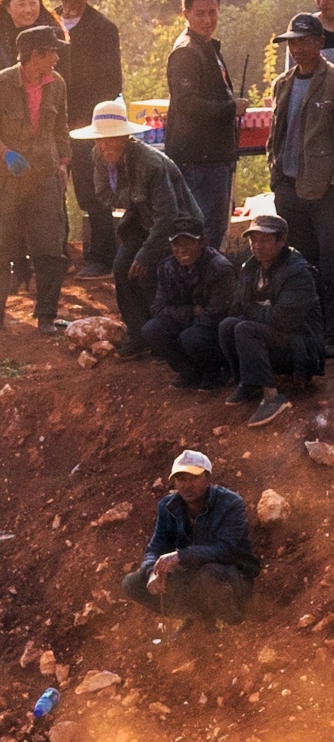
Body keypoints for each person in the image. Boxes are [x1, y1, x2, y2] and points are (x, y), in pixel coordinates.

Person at [69, 99, 198, 348]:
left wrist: (146, 254)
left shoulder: (150, 164)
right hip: (141, 218)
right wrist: (136, 198)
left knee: (153, 273)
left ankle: (163, 336)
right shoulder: (99, 156)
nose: (105, 146)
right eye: (100, 139)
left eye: (112, 139)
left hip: (179, 226)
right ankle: (137, 333)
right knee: (121, 267)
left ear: (125, 138)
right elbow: (105, 195)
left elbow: (168, 215)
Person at [0, 24, 70, 335]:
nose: (56, 58)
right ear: (34, 55)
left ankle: (47, 317)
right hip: (5, 179)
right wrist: (4, 154)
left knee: (50, 249)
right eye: (51, 52)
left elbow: (60, 127)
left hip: (44, 177)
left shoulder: (58, 84)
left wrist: (63, 163)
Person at [42, 0, 125, 278]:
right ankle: (55, 255)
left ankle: (101, 257)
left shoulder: (104, 29)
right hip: (49, 123)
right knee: (50, 192)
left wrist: (86, 116)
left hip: (88, 125)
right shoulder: (47, 25)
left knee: (93, 192)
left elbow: (112, 83)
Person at [120, 448, 257, 625]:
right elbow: (155, 547)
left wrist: (181, 556)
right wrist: (152, 572)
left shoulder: (230, 503)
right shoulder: (167, 506)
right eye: (181, 479)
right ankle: (193, 616)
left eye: (194, 478)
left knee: (209, 573)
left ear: (208, 478)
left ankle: (231, 623)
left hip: (232, 577)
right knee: (132, 582)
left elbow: (226, 550)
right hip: (194, 579)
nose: (186, 485)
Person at [214, 206, 319, 427]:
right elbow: (236, 307)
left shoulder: (298, 272)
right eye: (254, 239)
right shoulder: (251, 268)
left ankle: (272, 397)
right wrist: (254, 311)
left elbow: (284, 320)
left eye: (265, 240)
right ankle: (248, 382)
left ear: (281, 241)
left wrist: (252, 310)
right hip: (273, 338)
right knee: (227, 325)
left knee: (245, 328)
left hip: (300, 348)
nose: (257, 245)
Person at [160, 0, 238, 244]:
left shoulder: (206, 46)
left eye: (212, 12)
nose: (207, 19)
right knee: (202, 236)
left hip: (212, 157)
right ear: (185, 14)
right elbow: (187, 105)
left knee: (212, 233)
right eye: (200, 13)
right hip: (199, 161)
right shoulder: (186, 52)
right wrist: (230, 108)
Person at [267, 13, 334, 272]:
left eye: (304, 42)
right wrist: (277, 178)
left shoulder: (331, 82)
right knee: (298, 265)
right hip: (288, 187)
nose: (297, 49)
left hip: (325, 192)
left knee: (329, 264)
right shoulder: (282, 83)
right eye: (293, 43)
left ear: (319, 43)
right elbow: (276, 136)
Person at [142, 226, 234, 386]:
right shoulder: (167, 268)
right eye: (176, 245)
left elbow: (217, 313)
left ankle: (214, 372)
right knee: (152, 329)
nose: (181, 250)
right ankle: (188, 371)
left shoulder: (220, 268)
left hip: (213, 329)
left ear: (202, 243)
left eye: (188, 244)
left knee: (192, 337)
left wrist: (187, 326)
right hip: (190, 322)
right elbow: (157, 308)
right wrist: (190, 312)